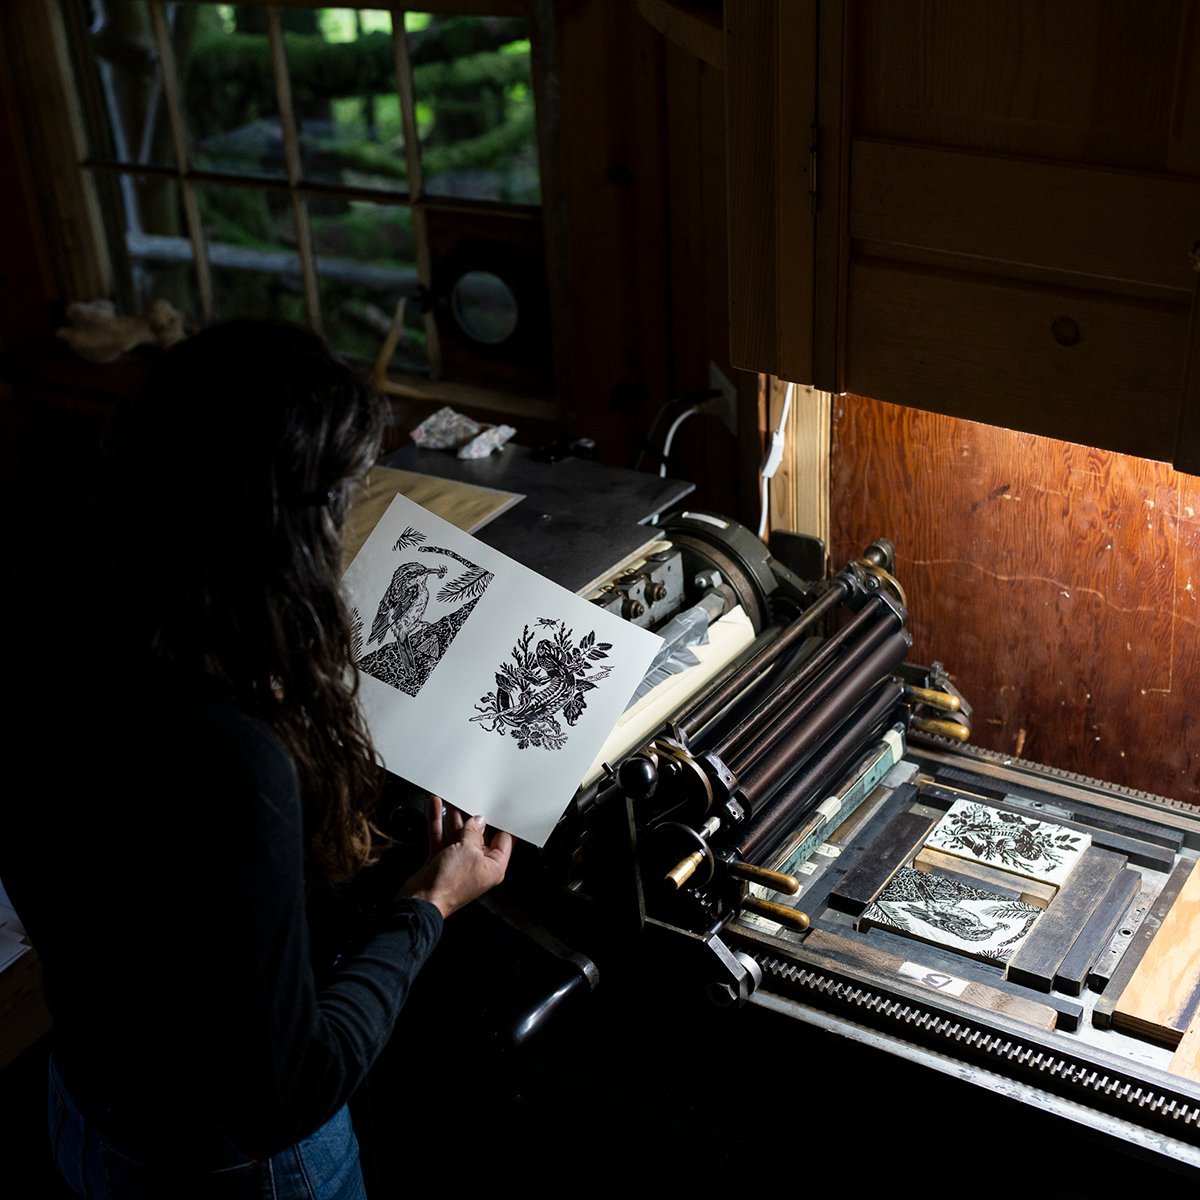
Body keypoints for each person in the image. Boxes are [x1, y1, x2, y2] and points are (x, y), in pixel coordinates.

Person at [0, 320, 513, 1198]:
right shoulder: (227, 760)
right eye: (339, 507)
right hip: (236, 1171)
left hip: (88, 1104)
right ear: (274, 527)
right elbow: (287, 1093)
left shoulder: (45, 608)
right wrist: (430, 902)